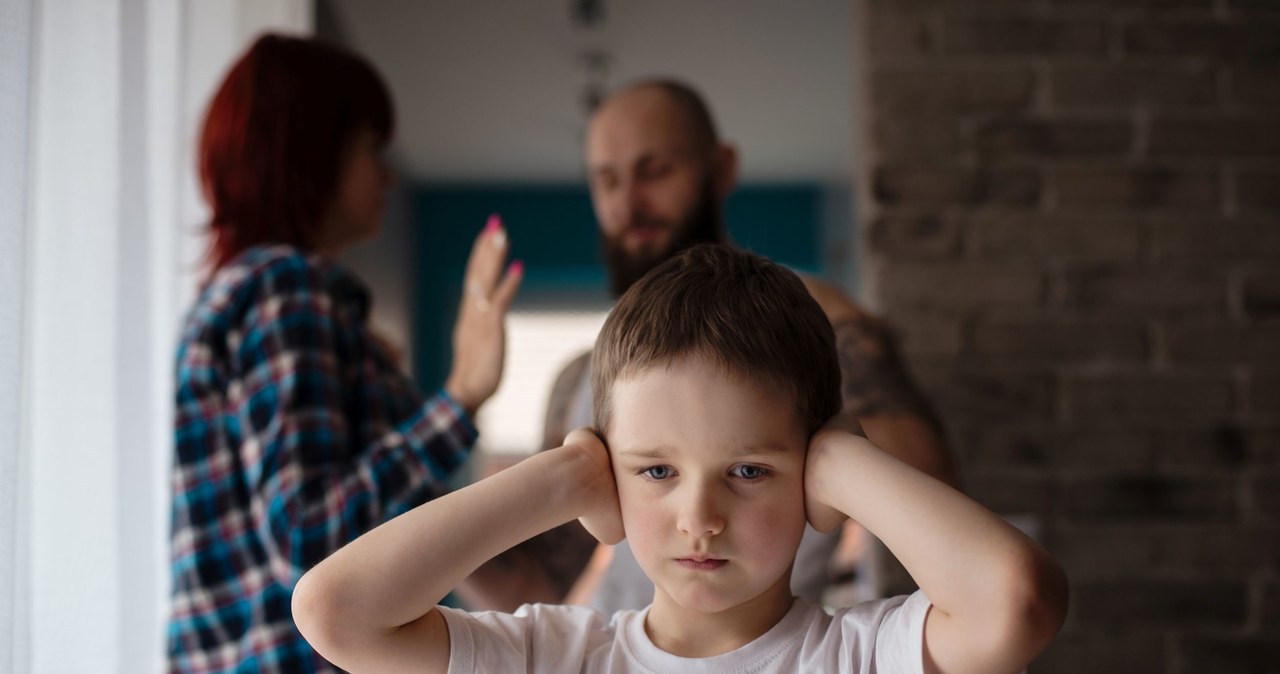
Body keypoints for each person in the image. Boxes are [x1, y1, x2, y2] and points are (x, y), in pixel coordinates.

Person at [292, 244, 1067, 673]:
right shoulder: (555, 658)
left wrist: (841, 464)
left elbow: (1018, 601)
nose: (700, 519)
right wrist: (566, 478)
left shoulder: (863, 656)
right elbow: (335, 612)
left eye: (750, 471)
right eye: (656, 471)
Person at [472, 78, 956, 613]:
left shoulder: (809, 328)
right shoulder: (580, 380)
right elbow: (538, 588)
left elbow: (926, 475)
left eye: (654, 172)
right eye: (607, 182)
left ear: (720, 169)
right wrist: (451, 411)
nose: (629, 204)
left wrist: (809, 344)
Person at [168, 34, 522, 673]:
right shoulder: (286, 289)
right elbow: (309, 537)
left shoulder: (246, 294)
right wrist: (462, 393)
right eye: (370, 148)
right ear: (312, 155)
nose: (387, 174)